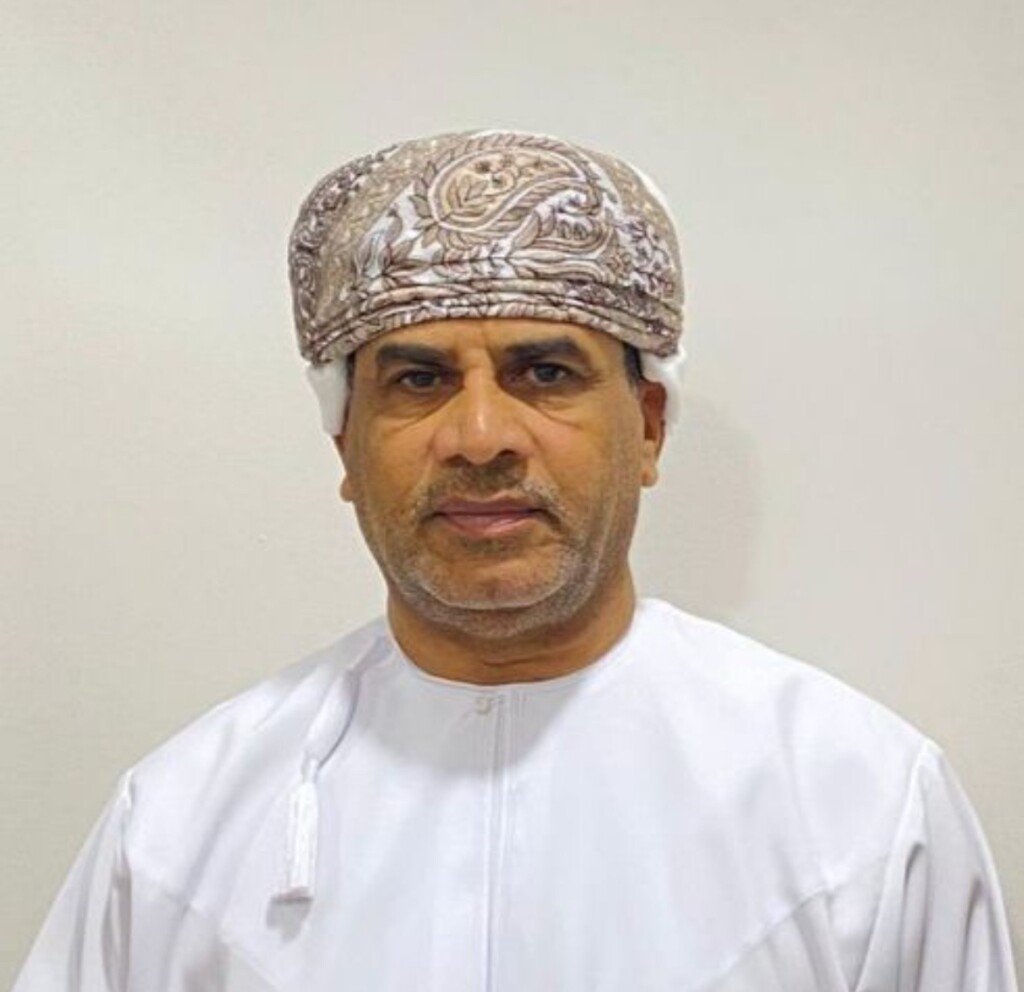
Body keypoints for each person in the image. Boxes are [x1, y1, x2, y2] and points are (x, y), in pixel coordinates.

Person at [14, 129, 1018, 991]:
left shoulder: (857, 804)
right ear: (345, 446)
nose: (481, 436)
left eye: (544, 372)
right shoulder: (181, 823)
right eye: (418, 380)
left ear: (649, 426)